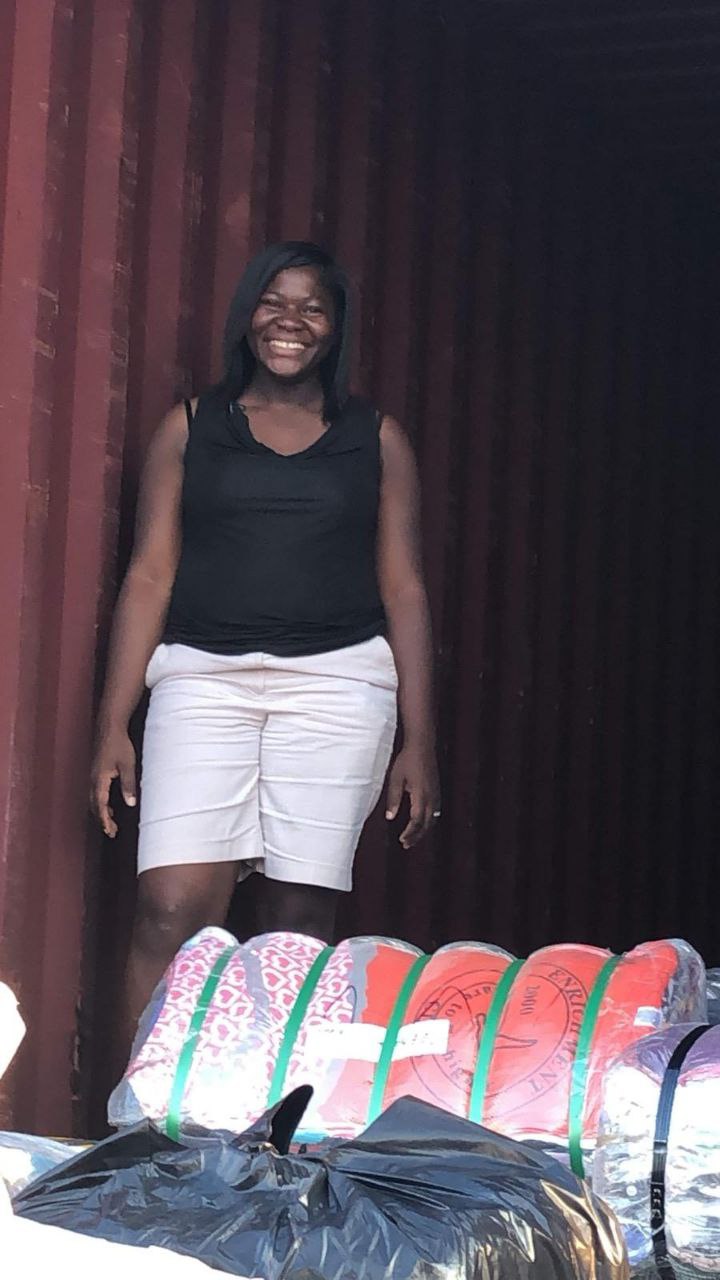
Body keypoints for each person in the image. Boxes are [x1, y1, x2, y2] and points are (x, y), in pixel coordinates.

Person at [91, 242, 439, 1046]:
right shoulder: (190, 428)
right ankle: (148, 1105)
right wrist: (113, 723)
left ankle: (274, 1114)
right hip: (201, 681)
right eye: (273, 301)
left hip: (340, 687)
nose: (290, 321)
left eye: (312, 307)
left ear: (337, 327)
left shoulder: (376, 439)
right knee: (169, 909)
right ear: (247, 315)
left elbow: (405, 589)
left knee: (295, 923)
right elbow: (148, 576)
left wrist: (420, 741)